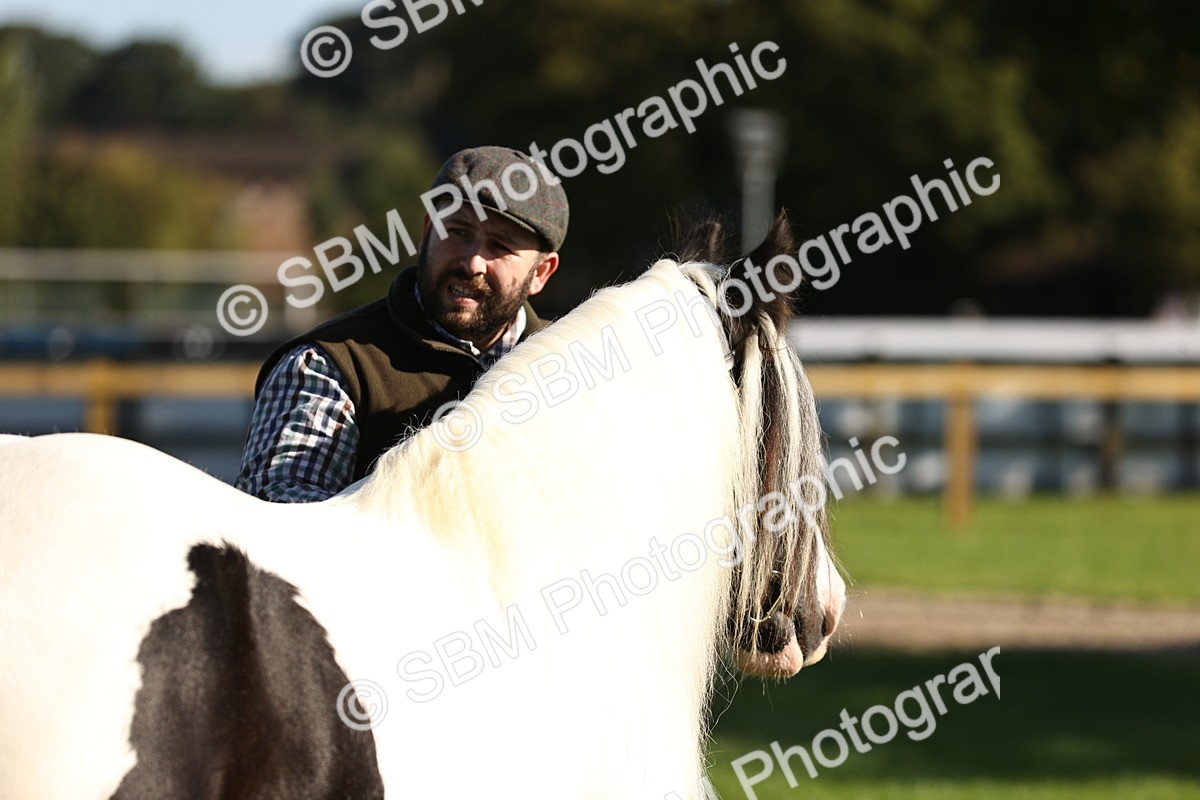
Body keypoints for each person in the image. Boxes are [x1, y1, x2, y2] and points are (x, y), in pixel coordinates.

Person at [236, 146, 568, 501]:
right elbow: (282, 512)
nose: (472, 263)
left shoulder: (575, 366)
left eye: (499, 246)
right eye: (458, 231)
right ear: (426, 233)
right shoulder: (332, 364)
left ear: (541, 273)